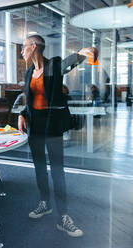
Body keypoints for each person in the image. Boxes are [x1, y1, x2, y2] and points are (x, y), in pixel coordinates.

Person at [18, 34, 97, 237]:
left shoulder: (53, 66)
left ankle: (64, 216)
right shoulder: (28, 73)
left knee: (57, 171)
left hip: (51, 125)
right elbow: (30, 100)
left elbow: (68, 63)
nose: (21, 51)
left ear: (33, 46)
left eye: (23, 47)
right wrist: (22, 114)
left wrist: (83, 52)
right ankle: (45, 203)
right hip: (35, 126)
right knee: (39, 168)